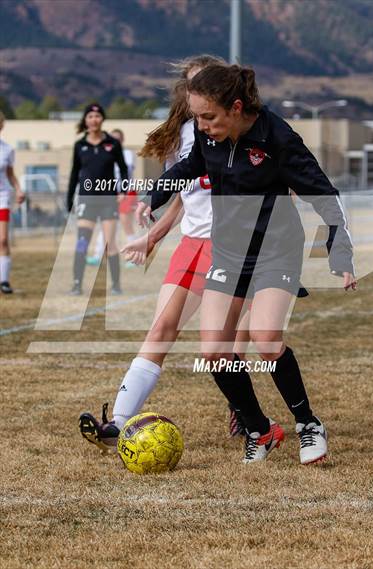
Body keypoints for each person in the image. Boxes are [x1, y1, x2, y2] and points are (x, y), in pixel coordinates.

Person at [137, 63, 357, 464]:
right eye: (196, 117)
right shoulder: (211, 139)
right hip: (230, 252)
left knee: (266, 338)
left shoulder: (278, 138)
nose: (201, 126)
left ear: (236, 107)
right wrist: (151, 197)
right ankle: (260, 429)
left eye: (208, 116)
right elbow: (188, 168)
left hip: (276, 250)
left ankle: (308, 424)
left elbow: (324, 193)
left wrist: (340, 252)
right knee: (214, 352)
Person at [78, 55, 252, 453]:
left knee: (227, 347)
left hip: (235, 247)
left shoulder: (237, 128)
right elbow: (183, 200)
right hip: (192, 245)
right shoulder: (178, 137)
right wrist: (152, 236)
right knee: (160, 330)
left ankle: (249, 415)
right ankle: (117, 424)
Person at [67, 103, 128, 295]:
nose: (94, 119)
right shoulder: (80, 146)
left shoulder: (113, 144)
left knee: (110, 243)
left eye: (97, 116)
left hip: (108, 200)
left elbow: (124, 169)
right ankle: (77, 284)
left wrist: (123, 191)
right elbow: (74, 173)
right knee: (82, 243)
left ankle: (116, 285)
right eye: (90, 116)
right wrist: (69, 200)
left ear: (102, 119)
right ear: (85, 120)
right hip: (87, 201)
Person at [86, 128, 137, 266]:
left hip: (126, 193)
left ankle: (133, 256)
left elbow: (127, 173)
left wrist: (123, 192)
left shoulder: (127, 154)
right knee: (105, 224)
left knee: (126, 224)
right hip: (109, 192)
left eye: (118, 139)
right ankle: (97, 255)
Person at [0, 111, 25, 294]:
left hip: (2, 197)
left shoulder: (7, 149)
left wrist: (18, 189)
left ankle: (4, 281)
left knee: (2, 240)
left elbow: (10, 174)